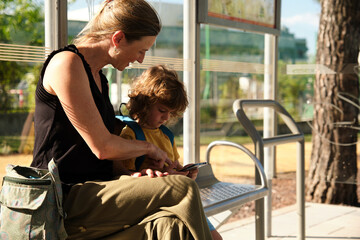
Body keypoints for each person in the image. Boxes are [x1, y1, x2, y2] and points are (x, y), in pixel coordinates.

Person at [31, 0, 212, 239]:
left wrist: (135, 176)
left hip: (98, 191)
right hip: (63, 198)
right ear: (117, 39)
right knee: (183, 189)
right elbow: (102, 147)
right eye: (141, 50)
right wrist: (149, 148)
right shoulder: (67, 64)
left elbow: (96, 157)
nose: (140, 59)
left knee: (173, 228)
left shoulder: (99, 78)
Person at [116, 65, 223, 240]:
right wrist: (152, 174)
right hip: (155, 203)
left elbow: (175, 167)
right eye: (162, 111)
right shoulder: (130, 134)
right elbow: (125, 177)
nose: (166, 118)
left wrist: (186, 174)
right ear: (145, 104)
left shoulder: (166, 135)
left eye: (170, 113)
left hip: (176, 198)